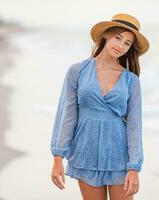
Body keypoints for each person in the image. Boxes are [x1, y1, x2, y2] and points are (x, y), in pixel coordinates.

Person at [50, 13, 150, 200]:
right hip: (85, 152)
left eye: (127, 43)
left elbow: (135, 125)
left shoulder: (131, 80)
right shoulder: (77, 71)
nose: (120, 46)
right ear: (106, 35)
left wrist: (134, 167)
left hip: (119, 157)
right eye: (117, 38)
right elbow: (67, 115)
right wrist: (58, 157)